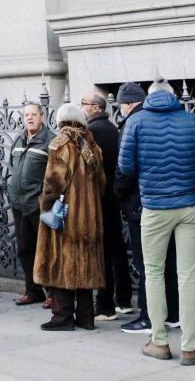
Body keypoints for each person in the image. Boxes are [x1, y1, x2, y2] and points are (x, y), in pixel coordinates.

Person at [119, 81, 195, 365]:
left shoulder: (135, 122)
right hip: (190, 205)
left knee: (153, 273)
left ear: (148, 97)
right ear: (175, 96)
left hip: (154, 206)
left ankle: (159, 341)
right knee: (187, 276)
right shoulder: (193, 121)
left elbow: (125, 167)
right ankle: (190, 346)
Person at [36, 102, 107, 332]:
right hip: (90, 216)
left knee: (62, 262)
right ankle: (86, 318)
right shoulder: (92, 146)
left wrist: (46, 208)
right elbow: (102, 184)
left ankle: (63, 316)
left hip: (66, 215)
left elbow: (53, 183)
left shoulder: (60, 144)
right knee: (86, 262)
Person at [113, 82, 177, 336]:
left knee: (147, 264)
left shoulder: (135, 123)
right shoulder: (174, 119)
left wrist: (117, 192)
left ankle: (150, 316)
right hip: (174, 202)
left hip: (142, 204)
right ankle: (172, 313)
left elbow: (125, 167)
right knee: (170, 262)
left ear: (127, 104)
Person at [78, 90, 128, 319]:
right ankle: (124, 299)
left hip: (99, 198)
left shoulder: (93, 131)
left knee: (103, 252)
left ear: (96, 108)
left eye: (84, 103)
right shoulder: (113, 128)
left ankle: (106, 305)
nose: (82, 106)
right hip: (113, 197)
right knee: (117, 249)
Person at [6, 103, 53, 308]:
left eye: (34, 114)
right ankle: (33, 290)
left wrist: (44, 199)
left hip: (39, 205)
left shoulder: (50, 140)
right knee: (25, 249)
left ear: (42, 117)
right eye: (26, 115)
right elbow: (11, 167)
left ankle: (53, 293)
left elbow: (55, 175)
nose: (30, 118)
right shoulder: (19, 138)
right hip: (19, 204)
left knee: (46, 251)